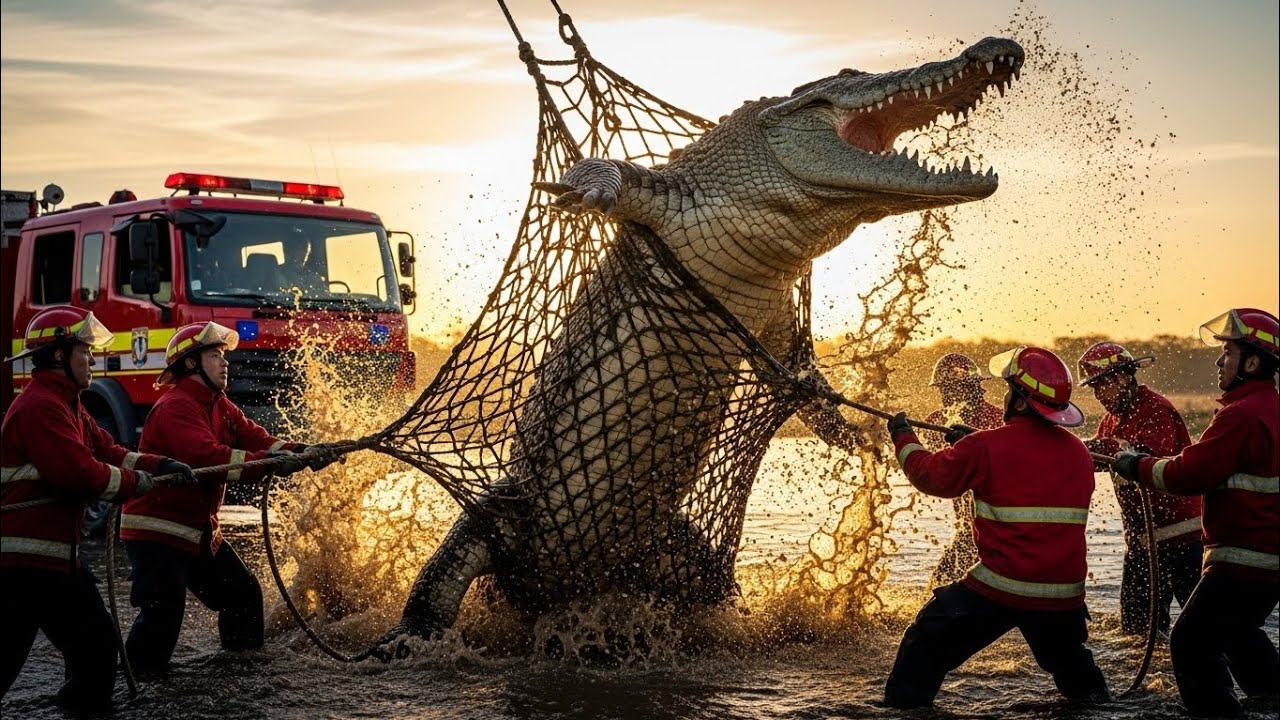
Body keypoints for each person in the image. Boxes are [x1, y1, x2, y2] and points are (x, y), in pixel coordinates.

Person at [883, 346, 1109, 709]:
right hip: (1062, 598)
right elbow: (1026, 463)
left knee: (923, 644)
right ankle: (1102, 706)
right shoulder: (1078, 453)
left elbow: (929, 476)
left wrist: (903, 436)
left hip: (1002, 585)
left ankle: (904, 711)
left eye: (1009, 391)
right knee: (1075, 674)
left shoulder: (985, 446)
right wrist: (972, 443)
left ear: (1019, 401)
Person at [1, 307, 196, 712]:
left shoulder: (67, 402)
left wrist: (159, 465)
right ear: (60, 355)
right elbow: (80, 473)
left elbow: (109, 451)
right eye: (85, 351)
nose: (92, 359)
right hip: (25, 566)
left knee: (95, 650)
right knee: (87, 649)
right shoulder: (40, 407)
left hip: (52, 562)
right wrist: (135, 483)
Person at [119, 321, 338, 675]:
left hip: (197, 533)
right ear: (191, 363)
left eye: (223, 355)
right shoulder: (175, 406)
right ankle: (136, 685)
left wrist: (301, 452)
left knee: (242, 595)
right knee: (163, 614)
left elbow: (257, 438)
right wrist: (269, 464)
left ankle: (238, 673)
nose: (225, 362)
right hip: (158, 534)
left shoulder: (219, 404)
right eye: (215, 355)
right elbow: (208, 458)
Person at [1113, 308, 1278, 718]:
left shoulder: (1241, 416)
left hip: (1243, 560)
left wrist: (1136, 465)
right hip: (1265, 561)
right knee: (1238, 633)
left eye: (1229, 353)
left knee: (1190, 642)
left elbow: (1187, 474)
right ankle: (1271, 698)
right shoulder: (1270, 409)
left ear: (1252, 363)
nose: (1220, 361)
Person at [1077, 341, 1201, 637]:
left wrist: (1095, 448)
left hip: (1184, 541)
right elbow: (1096, 458)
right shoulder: (1110, 421)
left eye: (1101, 385)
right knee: (1136, 634)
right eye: (1093, 388)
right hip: (1142, 545)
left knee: (1207, 632)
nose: (1097, 395)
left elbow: (1145, 458)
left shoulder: (1156, 410)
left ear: (1122, 377)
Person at [920, 353, 1004, 589]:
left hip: (997, 528)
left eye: (952, 390)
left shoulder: (998, 420)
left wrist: (970, 445)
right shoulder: (936, 422)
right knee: (941, 582)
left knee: (945, 586)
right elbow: (930, 469)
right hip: (968, 528)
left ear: (975, 388)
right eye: (943, 391)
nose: (947, 397)